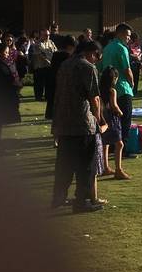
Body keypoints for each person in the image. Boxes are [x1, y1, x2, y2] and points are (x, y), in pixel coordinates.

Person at [51, 40, 103, 213]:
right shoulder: (88, 67)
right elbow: (94, 97)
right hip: (82, 123)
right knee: (85, 165)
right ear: (92, 52)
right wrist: (98, 119)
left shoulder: (65, 64)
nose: (97, 61)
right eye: (97, 57)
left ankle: (58, 197)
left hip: (64, 121)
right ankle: (82, 200)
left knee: (64, 164)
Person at [100, 24, 135, 153]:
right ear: (120, 34)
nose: (129, 38)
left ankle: (110, 148)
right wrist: (132, 82)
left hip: (107, 88)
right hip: (122, 87)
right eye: (127, 35)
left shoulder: (107, 47)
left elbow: (101, 66)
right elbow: (127, 69)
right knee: (125, 121)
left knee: (110, 120)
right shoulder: (122, 48)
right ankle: (123, 149)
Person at [98, 66, 131, 180]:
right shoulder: (112, 91)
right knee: (119, 144)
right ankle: (118, 170)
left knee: (105, 143)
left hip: (103, 118)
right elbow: (114, 106)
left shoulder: (99, 90)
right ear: (114, 79)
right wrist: (121, 113)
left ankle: (105, 167)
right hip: (112, 119)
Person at [46, 35, 76, 121]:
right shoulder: (68, 57)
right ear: (70, 46)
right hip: (64, 85)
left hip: (54, 83)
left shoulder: (55, 55)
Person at [31, 28, 57, 102]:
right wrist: (51, 61)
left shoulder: (51, 42)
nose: (47, 36)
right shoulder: (37, 44)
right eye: (45, 35)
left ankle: (47, 97)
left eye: (48, 35)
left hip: (49, 66)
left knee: (49, 83)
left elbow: (55, 51)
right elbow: (41, 56)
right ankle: (38, 97)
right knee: (39, 83)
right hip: (40, 67)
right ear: (40, 35)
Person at [128, 32, 142, 96]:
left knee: (136, 78)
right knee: (132, 78)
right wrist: (135, 57)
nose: (137, 40)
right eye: (136, 39)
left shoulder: (138, 46)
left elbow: (140, 53)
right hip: (131, 64)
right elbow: (129, 54)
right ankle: (131, 91)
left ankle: (135, 91)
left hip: (137, 64)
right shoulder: (129, 46)